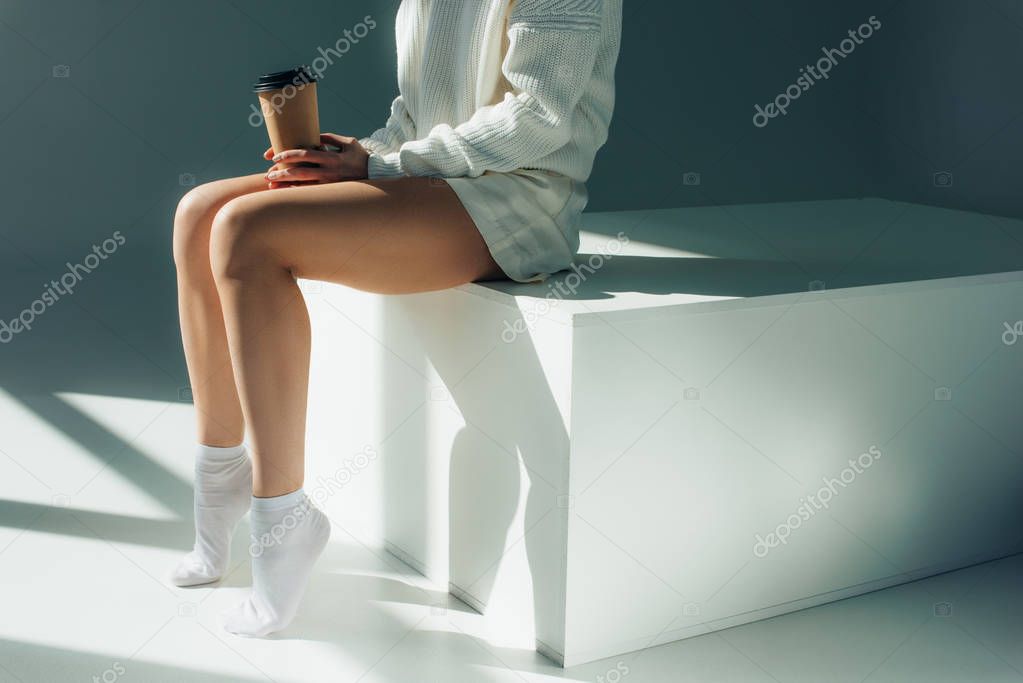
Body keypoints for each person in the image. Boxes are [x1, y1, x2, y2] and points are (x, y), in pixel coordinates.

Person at [169, 0, 622, 637]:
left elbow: (539, 120)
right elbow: (418, 112)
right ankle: (221, 480)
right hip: (431, 178)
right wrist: (354, 155)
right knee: (198, 215)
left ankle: (283, 516)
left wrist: (380, 168)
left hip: (520, 196)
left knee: (247, 230)